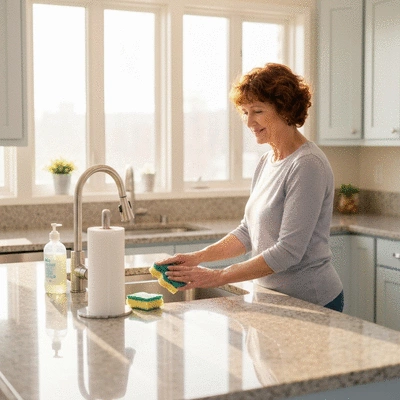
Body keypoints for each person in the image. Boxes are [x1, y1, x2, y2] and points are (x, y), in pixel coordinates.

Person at [160, 63, 344, 312]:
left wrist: (218, 276)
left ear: (286, 110)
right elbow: (247, 232)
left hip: (311, 300)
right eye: (245, 112)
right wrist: (198, 257)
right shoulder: (266, 161)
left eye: (257, 111)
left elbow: (288, 251)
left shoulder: (306, 165)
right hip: (272, 296)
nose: (249, 122)